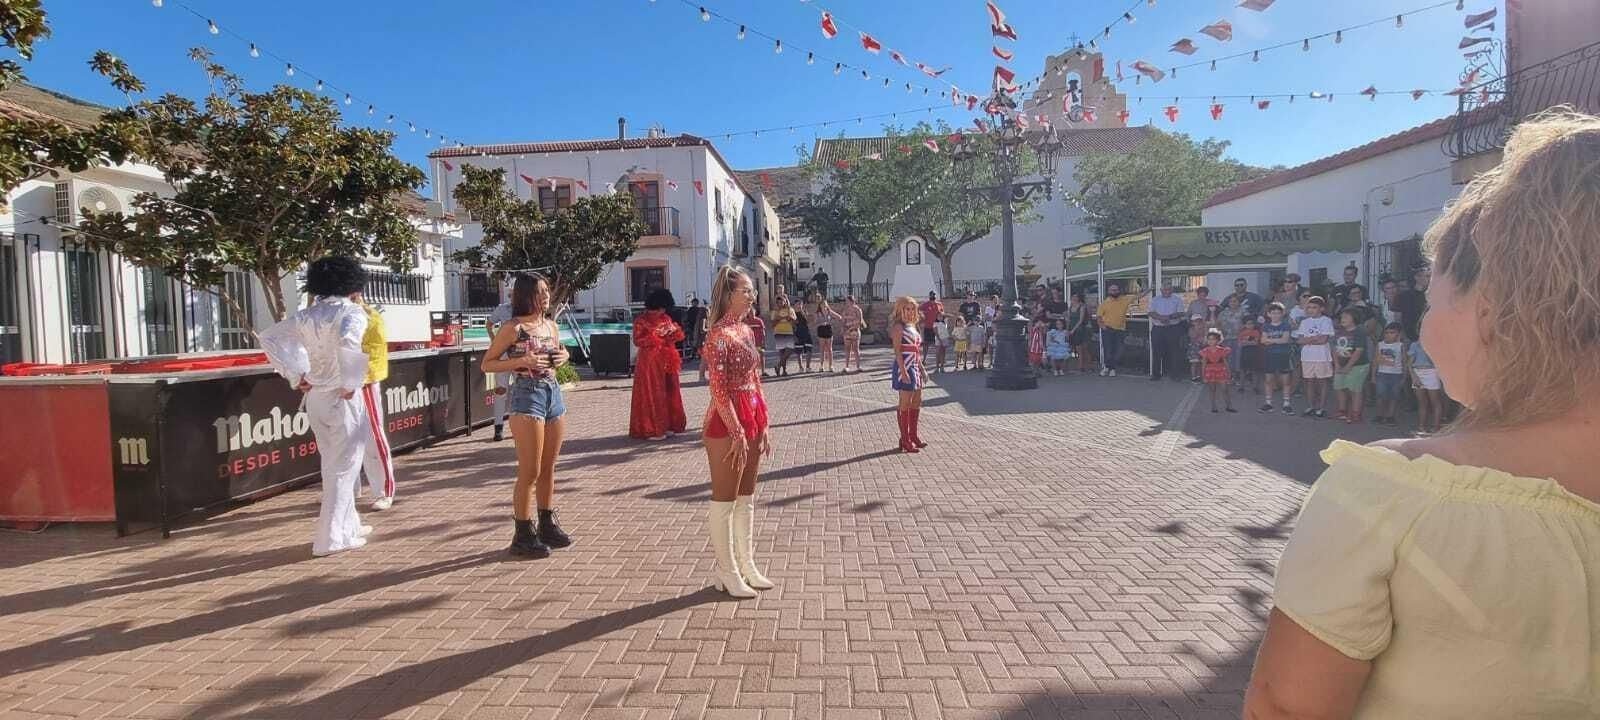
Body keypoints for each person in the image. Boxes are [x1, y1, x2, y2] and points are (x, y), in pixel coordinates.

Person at [1245, 110, 1600, 719]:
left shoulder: (1389, 496)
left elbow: (1285, 705)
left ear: (1490, 310)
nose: (1425, 328)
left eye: (1432, 304)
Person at [259, 257, 373, 557]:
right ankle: (331, 538)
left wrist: (297, 373)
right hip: (341, 397)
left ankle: (347, 525)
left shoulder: (307, 315)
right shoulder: (352, 312)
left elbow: (269, 337)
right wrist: (350, 383)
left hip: (316, 398)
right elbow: (350, 343)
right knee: (344, 467)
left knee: (333, 465)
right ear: (352, 283)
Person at [480, 273, 573, 559]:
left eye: (547, 291)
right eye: (540, 292)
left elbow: (559, 353)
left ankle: (546, 523)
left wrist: (564, 357)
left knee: (549, 467)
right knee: (530, 471)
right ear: (525, 295)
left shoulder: (551, 325)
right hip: (526, 394)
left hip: (552, 393)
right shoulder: (513, 328)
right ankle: (522, 533)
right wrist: (521, 360)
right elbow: (488, 364)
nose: (546, 297)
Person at [700, 266, 773, 600]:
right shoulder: (718, 335)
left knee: (746, 498)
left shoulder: (747, 330)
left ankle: (747, 564)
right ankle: (726, 571)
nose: (751, 295)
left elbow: (756, 379)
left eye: (751, 290)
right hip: (726, 420)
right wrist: (736, 430)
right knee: (725, 500)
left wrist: (764, 422)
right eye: (745, 290)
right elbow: (718, 390)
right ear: (729, 295)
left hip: (752, 412)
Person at [354, 294, 396, 511]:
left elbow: (372, 350)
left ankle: (383, 491)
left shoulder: (369, 316)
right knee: (343, 439)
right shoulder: (333, 314)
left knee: (373, 436)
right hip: (338, 382)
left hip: (364, 381)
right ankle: (348, 490)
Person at [630, 288, 687, 441]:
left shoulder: (666, 318)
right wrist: (655, 336)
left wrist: (672, 334)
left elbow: (674, 336)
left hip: (667, 358)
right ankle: (653, 428)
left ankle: (668, 425)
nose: (662, 310)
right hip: (650, 361)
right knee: (652, 392)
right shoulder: (641, 320)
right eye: (661, 307)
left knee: (669, 391)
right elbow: (637, 340)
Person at [890, 297, 927, 453]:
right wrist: (903, 372)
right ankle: (905, 439)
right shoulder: (898, 327)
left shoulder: (913, 326)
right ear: (900, 310)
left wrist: (922, 369)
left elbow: (917, 351)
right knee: (905, 402)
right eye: (907, 309)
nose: (911, 312)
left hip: (915, 366)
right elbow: (897, 351)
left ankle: (912, 436)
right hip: (904, 366)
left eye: (913, 309)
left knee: (917, 401)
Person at [1293, 296, 1335, 418]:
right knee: (1309, 382)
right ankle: (1311, 406)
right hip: (1307, 357)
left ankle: (1321, 407)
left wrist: (1308, 340)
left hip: (1322, 356)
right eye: (1309, 307)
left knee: (1322, 381)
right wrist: (1313, 338)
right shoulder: (1305, 322)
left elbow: (1323, 340)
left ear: (1321, 308)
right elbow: (1299, 340)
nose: (1311, 310)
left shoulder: (1326, 320)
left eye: (1314, 307)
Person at [1330, 309, 1369, 423]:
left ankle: (1356, 413)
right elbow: (1334, 348)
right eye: (1342, 317)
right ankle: (1342, 410)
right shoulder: (1339, 332)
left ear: (1354, 318)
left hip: (1357, 366)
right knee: (1339, 387)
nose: (1343, 319)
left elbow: (1358, 351)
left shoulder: (1359, 332)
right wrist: (1336, 364)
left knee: (1354, 389)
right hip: (1340, 364)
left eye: (1346, 317)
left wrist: (1348, 366)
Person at [488, 291, 516, 442]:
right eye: (511, 295)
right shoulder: (502, 309)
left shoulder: (526, 309)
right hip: (503, 355)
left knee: (519, 391)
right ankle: (498, 428)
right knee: (500, 391)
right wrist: (494, 341)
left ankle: (517, 427)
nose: (513, 298)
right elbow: (489, 324)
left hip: (519, 356)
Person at [1259, 303, 1296, 414]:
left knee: (1285, 380)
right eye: (1273, 313)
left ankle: (1286, 404)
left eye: (1278, 313)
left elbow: (1285, 340)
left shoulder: (1285, 325)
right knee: (1268, 379)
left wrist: (1270, 340)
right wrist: (1275, 340)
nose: (1276, 315)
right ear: (1269, 314)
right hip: (1269, 355)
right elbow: (1262, 340)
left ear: (1282, 314)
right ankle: (1268, 403)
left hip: (1283, 355)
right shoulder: (1266, 326)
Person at [1095, 283, 1138, 377]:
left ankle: (1109, 367)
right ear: (1109, 292)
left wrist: (1150, 289)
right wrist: (1102, 326)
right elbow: (1099, 316)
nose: (1114, 291)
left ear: (1119, 291)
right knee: (1108, 350)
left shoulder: (1124, 299)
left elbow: (1139, 296)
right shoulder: (1104, 303)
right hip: (1108, 329)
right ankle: (1110, 368)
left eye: (1116, 290)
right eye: (1112, 290)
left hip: (1120, 330)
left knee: (1119, 350)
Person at [1147, 284, 1186, 382]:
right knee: (1156, 352)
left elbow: (1181, 313)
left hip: (1173, 328)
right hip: (1158, 328)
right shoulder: (1155, 300)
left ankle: (1175, 375)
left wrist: (1169, 317)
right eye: (1165, 289)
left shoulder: (1177, 299)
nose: (1167, 291)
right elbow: (1150, 312)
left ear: (1172, 290)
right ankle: (1156, 374)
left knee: (1174, 352)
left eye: (1169, 289)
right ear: (1161, 290)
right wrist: (1161, 318)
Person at [1372, 322, 1407, 426]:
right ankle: (1379, 415)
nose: (1388, 335)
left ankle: (1390, 416)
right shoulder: (1380, 344)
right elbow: (1375, 360)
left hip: (1396, 374)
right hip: (1382, 373)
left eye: (1392, 333)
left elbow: (1404, 361)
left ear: (1398, 334)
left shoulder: (1401, 345)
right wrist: (1373, 375)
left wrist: (1404, 376)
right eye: (1386, 332)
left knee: (1394, 396)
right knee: (1380, 395)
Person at [1198, 329, 1234, 413]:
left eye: (1213, 339)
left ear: (1218, 340)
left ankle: (1229, 406)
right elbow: (1203, 364)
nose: (1211, 341)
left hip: (1221, 370)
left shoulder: (1222, 350)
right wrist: (1203, 375)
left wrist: (1229, 373)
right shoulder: (1205, 351)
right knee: (1212, 389)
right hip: (1210, 371)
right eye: (1209, 339)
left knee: (1225, 389)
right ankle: (1213, 406)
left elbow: (1225, 362)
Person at [1393, 264, 1431, 341]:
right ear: (1417, 277)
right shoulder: (1404, 296)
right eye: (1427, 276)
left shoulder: (1433, 295)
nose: (1430, 279)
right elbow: (1398, 318)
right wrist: (1402, 335)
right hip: (1410, 338)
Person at [1217, 295, 1246, 387]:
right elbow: (1218, 323)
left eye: (1235, 301)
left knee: (1238, 357)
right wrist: (1222, 331)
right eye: (1231, 301)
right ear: (1228, 303)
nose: (1233, 303)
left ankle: (1237, 377)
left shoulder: (1243, 312)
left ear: (1238, 302)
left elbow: (1248, 323)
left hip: (1239, 338)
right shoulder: (1223, 313)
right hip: (1227, 338)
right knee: (1228, 358)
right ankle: (1230, 376)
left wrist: (1243, 329)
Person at [809, 295, 843, 373]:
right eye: (822, 305)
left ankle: (831, 366)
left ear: (827, 305)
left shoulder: (829, 311)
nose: (824, 306)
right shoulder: (817, 313)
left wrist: (832, 321)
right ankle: (821, 366)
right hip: (821, 329)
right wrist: (818, 321)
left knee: (829, 349)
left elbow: (839, 317)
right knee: (822, 349)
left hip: (828, 329)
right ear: (820, 306)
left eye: (825, 304)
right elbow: (815, 323)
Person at [770, 296, 797, 376]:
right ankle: (784, 371)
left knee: (790, 350)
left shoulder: (790, 310)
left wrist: (788, 318)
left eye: (782, 301)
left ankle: (778, 365)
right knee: (782, 352)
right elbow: (772, 324)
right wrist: (778, 319)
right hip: (779, 332)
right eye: (778, 302)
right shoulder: (774, 311)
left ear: (785, 301)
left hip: (788, 332)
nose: (780, 303)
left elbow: (795, 321)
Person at [1066, 292, 1093, 373]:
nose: (1074, 298)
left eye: (1076, 297)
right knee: (1074, 348)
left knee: (1082, 349)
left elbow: (1080, 320)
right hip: (1071, 328)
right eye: (1073, 297)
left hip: (1080, 329)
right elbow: (1068, 319)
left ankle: (1083, 367)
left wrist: (1073, 330)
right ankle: (1079, 366)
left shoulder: (1082, 307)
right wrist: (1067, 329)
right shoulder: (1070, 307)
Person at [1237, 316, 1263, 394]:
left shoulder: (1256, 332)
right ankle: (1241, 387)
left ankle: (1255, 387)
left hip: (1254, 352)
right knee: (1243, 370)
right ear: (1244, 325)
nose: (1250, 325)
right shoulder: (1241, 332)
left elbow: (1256, 343)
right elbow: (1240, 344)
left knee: (1255, 370)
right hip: (1244, 352)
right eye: (1248, 324)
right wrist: (1250, 341)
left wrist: (1245, 341)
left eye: (1252, 323)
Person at [840, 295, 865, 374]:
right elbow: (843, 321)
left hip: (854, 331)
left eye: (847, 301)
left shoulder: (858, 310)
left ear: (851, 301)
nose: (846, 302)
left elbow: (860, 321)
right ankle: (847, 366)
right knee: (847, 348)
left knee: (855, 349)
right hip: (847, 332)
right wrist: (843, 329)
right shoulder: (845, 310)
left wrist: (852, 327)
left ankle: (858, 366)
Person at [918, 291, 945, 365]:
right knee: (926, 344)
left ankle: (939, 360)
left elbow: (942, 314)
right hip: (928, 327)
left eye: (934, 295)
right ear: (929, 296)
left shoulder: (939, 304)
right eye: (932, 295)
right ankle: (924, 359)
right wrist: (921, 319)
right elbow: (918, 310)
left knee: (938, 344)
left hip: (937, 327)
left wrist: (943, 324)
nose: (933, 296)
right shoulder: (925, 304)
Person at [745, 308, 770, 379]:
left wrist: (763, 341)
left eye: (752, 312)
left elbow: (763, 331)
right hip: (750, 343)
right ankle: (752, 372)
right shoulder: (746, 322)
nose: (751, 313)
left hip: (759, 342)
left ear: (755, 312)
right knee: (751, 357)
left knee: (761, 355)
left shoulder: (759, 321)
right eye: (750, 312)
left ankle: (763, 371)